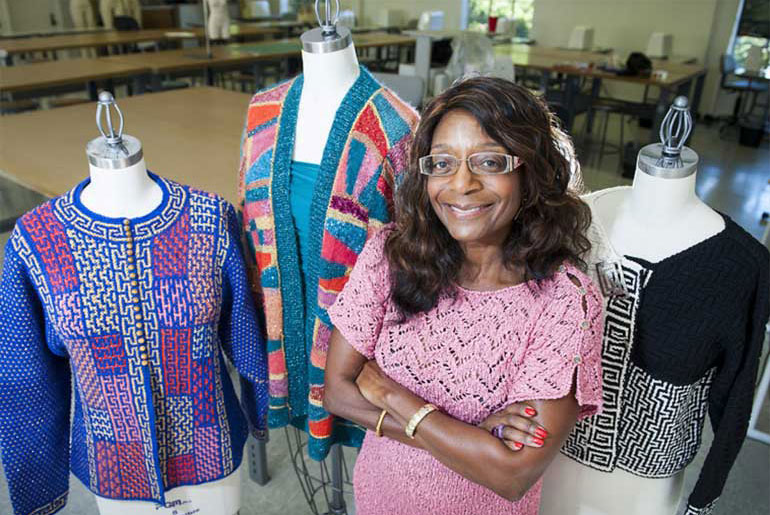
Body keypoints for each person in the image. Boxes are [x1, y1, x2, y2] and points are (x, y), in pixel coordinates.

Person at [323, 76, 605, 514]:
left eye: (489, 163)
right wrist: (469, 436)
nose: (461, 185)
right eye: (442, 163)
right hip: (379, 497)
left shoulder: (565, 301)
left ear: (530, 172)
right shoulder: (390, 254)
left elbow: (511, 475)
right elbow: (337, 392)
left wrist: (389, 393)